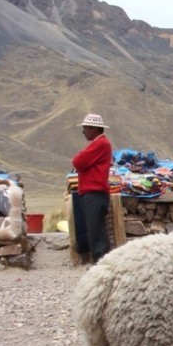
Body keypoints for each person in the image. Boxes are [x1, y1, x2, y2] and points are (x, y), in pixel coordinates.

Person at [72, 113, 113, 263]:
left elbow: (78, 161)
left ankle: (100, 262)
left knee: (95, 230)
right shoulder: (100, 143)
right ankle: (102, 262)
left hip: (94, 192)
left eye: (86, 128)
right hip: (93, 192)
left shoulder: (100, 144)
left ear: (94, 128)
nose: (83, 131)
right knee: (95, 228)